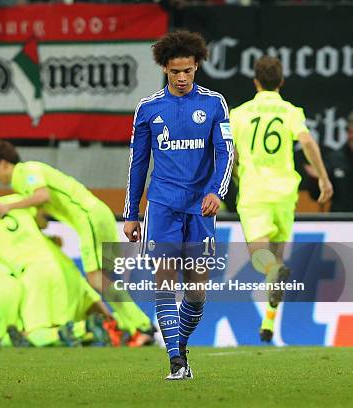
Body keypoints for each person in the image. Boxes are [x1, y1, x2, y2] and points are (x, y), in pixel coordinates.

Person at [123, 30, 233, 380]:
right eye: (175, 72)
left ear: (196, 66)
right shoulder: (149, 108)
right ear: (165, 70)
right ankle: (176, 361)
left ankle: (179, 344)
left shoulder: (214, 104)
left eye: (187, 71)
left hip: (201, 208)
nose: (182, 78)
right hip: (162, 206)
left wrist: (217, 191)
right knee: (165, 284)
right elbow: (138, 163)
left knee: (197, 293)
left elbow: (226, 152)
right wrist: (130, 213)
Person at [0, 140, 156, 346]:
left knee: (95, 278)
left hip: (88, 218)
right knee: (106, 279)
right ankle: (134, 328)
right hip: (99, 215)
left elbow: (42, 195)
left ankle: (140, 325)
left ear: (3, 164)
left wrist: (8, 207)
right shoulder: (28, 177)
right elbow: (41, 214)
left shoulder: (26, 171)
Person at [230, 55, 333, 342]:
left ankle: (274, 273)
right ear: (282, 82)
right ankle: (268, 325)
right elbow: (308, 141)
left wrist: (237, 177)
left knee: (262, 260)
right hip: (285, 192)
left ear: (255, 81)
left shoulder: (238, 114)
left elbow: (232, 155)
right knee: (277, 258)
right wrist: (323, 178)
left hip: (255, 192)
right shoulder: (290, 111)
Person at [0, 176, 109, 347]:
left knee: (33, 336)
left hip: (31, 273)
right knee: (59, 330)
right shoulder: (18, 200)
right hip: (56, 266)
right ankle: (101, 328)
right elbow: (41, 221)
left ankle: (85, 329)